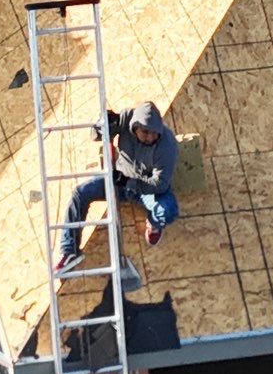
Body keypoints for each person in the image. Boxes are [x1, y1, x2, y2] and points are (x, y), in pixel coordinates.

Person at [54, 101, 181, 269]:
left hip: (146, 189)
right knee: (81, 193)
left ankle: (154, 223)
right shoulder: (126, 118)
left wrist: (129, 182)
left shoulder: (167, 144)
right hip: (119, 181)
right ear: (134, 127)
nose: (150, 137)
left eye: (154, 134)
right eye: (145, 132)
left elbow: (160, 184)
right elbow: (95, 135)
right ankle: (69, 251)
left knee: (168, 210)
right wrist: (104, 124)